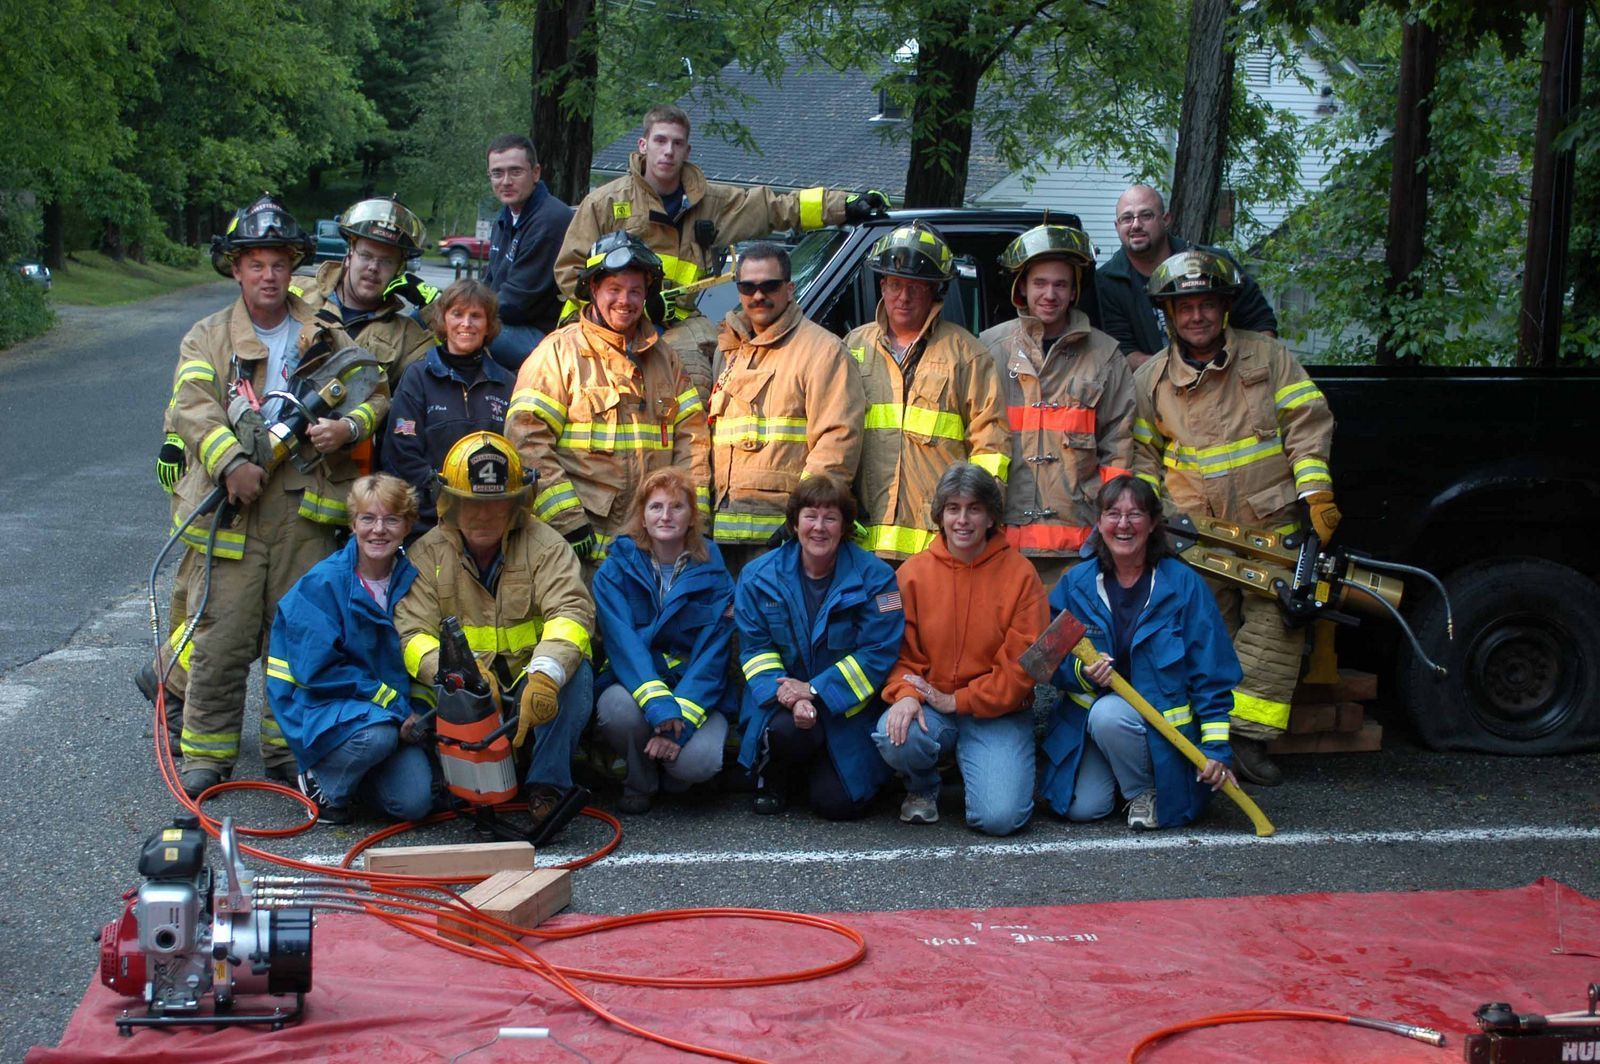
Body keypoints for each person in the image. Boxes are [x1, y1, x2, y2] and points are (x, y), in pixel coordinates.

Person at [166, 195, 385, 798]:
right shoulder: (207, 338)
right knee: (222, 636)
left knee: (299, 639)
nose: (268, 276)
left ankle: (289, 751)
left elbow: (374, 390)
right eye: (255, 264)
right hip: (234, 512)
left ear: (296, 269)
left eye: (278, 264)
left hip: (305, 514)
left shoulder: (325, 333)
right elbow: (193, 407)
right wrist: (231, 461)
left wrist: (348, 428)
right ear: (235, 269)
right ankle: (207, 758)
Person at [1131, 249, 1337, 787]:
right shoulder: (1151, 380)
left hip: (1272, 523)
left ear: (1224, 308)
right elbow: (1142, 458)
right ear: (1169, 315)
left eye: (1206, 305)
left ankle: (1247, 741)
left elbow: (1307, 423)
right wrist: (1156, 524)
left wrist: (1315, 496)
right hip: (1193, 535)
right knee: (1206, 634)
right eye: (1185, 307)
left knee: (1278, 629)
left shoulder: (1268, 359)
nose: (1196, 316)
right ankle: (1211, 736)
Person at [555, 104, 889, 403]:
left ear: (688, 150)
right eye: (660, 141)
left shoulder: (709, 203)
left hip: (679, 324)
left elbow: (773, 208)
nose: (668, 151)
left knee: (702, 380)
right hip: (605, 322)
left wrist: (842, 205)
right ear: (643, 145)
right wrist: (626, 308)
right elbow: (569, 270)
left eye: (676, 143)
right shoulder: (606, 203)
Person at [393, 431, 597, 838]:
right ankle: (471, 789)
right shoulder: (426, 555)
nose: (483, 516)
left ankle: (547, 786)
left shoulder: (546, 546)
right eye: (471, 504)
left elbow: (571, 612)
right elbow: (413, 634)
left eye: (496, 504)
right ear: (449, 503)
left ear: (517, 504)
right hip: (468, 686)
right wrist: (460, 674)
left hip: (529, 679)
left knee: (578, 677)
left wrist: (546, 675)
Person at [1041, 476, 1243, 829]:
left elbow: (1212, 672)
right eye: (1113, 514)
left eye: (1135, 515)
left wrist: (1215, 751)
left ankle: (1143, 789)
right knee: (1082, 808)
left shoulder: (1183, 586)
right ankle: (1128, 779)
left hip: (1163, 733)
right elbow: (1048, 661)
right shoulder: (1077, 584)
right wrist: (1082, 675)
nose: (1123, 525)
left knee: (1109, 714)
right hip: (1094, 731)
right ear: (1099, 523)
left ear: (1152, 524)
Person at [506, 231, 709, 567]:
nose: (624, 301)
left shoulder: (667, 360)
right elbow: (525, 438)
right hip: (578, 552)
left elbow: (694, 442)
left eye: (635, 291)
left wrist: (693, 521)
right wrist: (567, 521)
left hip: (651, 553)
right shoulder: (558, 353)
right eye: (614, 289)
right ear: (593, 290)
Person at [872, 464, 1048, 836]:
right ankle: (922, 786)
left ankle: (984, 768)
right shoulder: (910, 574)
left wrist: (960, 700)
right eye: (953, 508)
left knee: (999, 819)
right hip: (930, 707)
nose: (962, 519)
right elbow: (891, 649)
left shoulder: (1022, 576)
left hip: (998, 712)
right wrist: (904, 694)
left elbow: (1024, 667)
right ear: (940, 515)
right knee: (893, 732)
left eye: (974, 509)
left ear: (991, 517)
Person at [265, 474, 435, 824]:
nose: (378, 530)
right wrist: (397, 710)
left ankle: (357, 780)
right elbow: (320, 671)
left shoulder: (414, 578)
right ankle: (322, 785)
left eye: (391, 519)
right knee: (377, 738)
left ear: (407, 525)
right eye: (367, 518)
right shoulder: (324, 583)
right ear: (353, 523)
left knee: (415, 805)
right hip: (325, 709)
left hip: (386, 713)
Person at [734, 476, 903, 819]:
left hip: (846, 709)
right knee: (787, 732)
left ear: (846, 527)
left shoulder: (880, 579)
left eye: (831, 517)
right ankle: (774, 776)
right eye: (810, 516)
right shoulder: (756, 576)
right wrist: (791, 697)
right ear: (794, 523)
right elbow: (754, 649)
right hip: (781, 705)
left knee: (838, 806)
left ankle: (820, 770)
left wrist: (813, 691)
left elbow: (879, 652)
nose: (819, 527)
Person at [979, 223, 1135, 590]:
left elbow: (1119, 447)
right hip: (1002, 540)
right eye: (1040, 283)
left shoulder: (1105, 355)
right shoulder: (988, 350)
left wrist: (1111, 521)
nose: (1050, 294)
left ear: (1074, 290)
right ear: (1022, 287)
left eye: (1061, 284)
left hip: (1078, 546)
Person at [844, 220, 1011, 563]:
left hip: (938, 548)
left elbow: (990, 443)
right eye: (895, 284)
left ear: (936, 291)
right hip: (863, 546)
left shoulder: (966, 353)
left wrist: (980, 520)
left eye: (916, 287)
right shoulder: (852, 347)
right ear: (882, 284)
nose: (903, 297)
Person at [708, 241, 863, 574]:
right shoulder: (730, 350)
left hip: (781, 541)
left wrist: (801, 522)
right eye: (748, 286)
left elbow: (837, 444)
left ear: (790, 289)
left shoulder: (823, 351)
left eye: (770, 286)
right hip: (722, 539)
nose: (758, 295)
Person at [593, 467, 735, 814]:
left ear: (692, 518)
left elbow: (712, 659)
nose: (666, 516)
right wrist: (660, 707)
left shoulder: (716, 572)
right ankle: (640, 782)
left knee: (698, 763)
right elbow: (623, 645)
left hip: (696, 692)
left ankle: (675, 774)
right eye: (656, 507)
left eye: (677, 507)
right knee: (617, 709)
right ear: (642, 516)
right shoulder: (614, 569)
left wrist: (677, 726)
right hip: (639, 685)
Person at [382, 279, 514, 538]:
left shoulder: (507, 383)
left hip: (490, 525)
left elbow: (516, 453)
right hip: (428, 525)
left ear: (489, 326)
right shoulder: (418, 377)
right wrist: (446, 496)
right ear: (443, 320)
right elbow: (401, 453)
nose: (466, 324)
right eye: (457, 314)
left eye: (476, 316)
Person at [1096, 184, 1278, 369]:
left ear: (1166, 219)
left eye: (1146, 215)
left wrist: (1242, 372)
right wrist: (1182, 375)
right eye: (1127, 218)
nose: (1136, 225)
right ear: (1116, 225)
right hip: (1152, 390)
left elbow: (1261, 324)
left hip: (1234, 381)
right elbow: (1121, 352)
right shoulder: (1106, 283)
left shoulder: (1215, 264)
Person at [292, 197, 435, 390]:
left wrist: (436, 307)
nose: (373, 267)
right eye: (366, 256)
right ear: (350, 254)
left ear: (399, 270)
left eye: (386, 261)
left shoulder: (407, 338)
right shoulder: (298, 291)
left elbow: (455, 364)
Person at [482, 133, 574, 372]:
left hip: (548, 338)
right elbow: (489, 282)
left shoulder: (550, 219)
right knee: (431, 318)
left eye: (515, 171)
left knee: (466, 330)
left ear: (535, 173)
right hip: (510, 323)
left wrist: (464, 313)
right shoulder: (504, 219)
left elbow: (517, 303)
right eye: (497, 173)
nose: (505, 181)